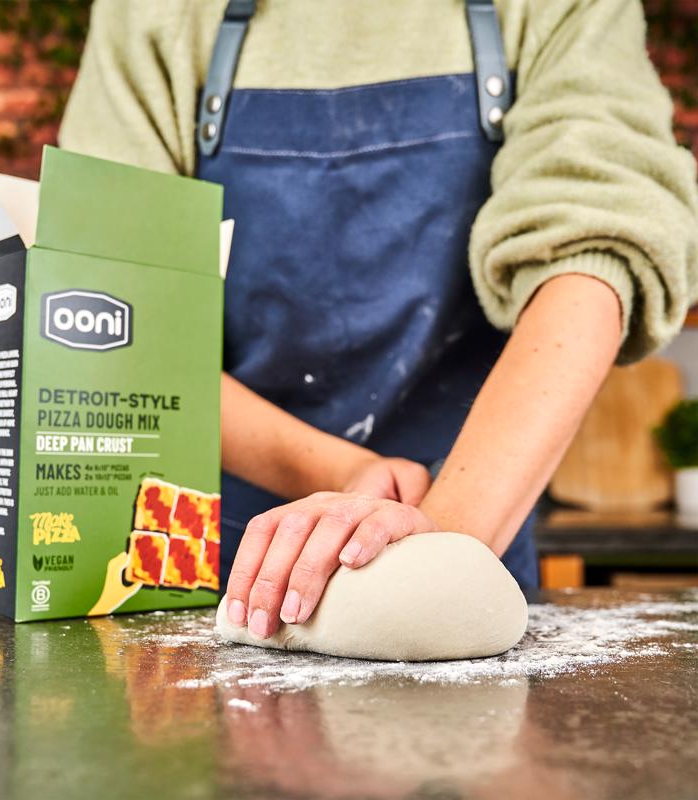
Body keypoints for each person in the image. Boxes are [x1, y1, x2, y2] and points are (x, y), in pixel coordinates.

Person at [60, 0, 698, 640]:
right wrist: (347, 477)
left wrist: (444, 540)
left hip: (478, 521)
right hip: (224, 563)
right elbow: (121, 321)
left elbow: (592, 255)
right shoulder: (156, 12)